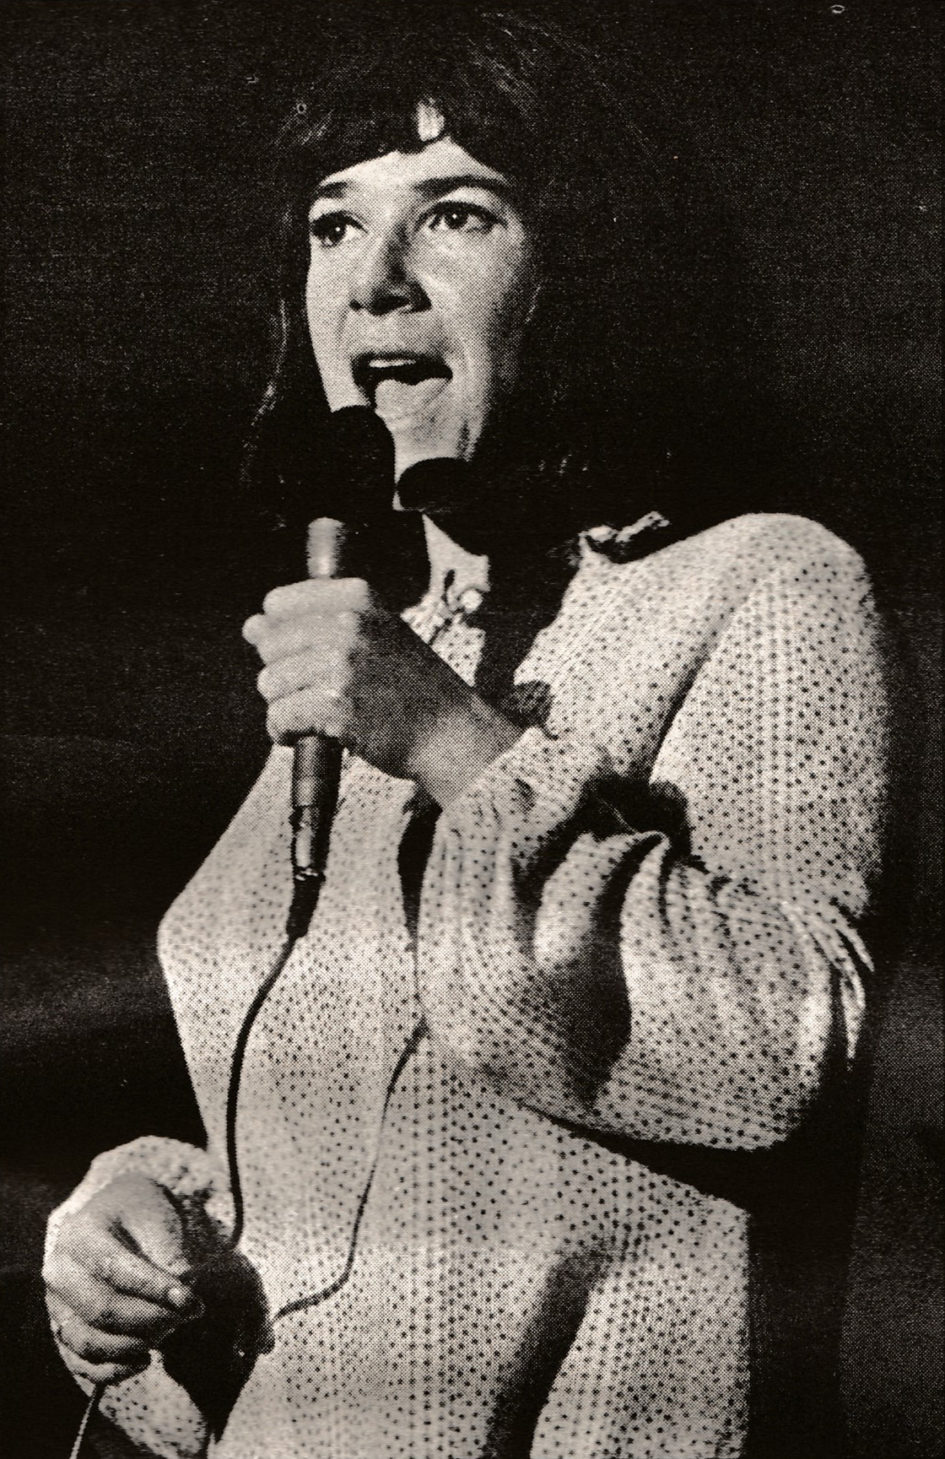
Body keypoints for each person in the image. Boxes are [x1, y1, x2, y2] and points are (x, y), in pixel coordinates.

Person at [42, 11, 888, 1457]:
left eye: (454, 215)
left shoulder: (762, 583)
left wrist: (456, 748)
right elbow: (356, 1193)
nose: (373, 280)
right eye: (332, 227)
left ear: (586, 272)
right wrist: (140, 1239)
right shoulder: (375, 658)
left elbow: (784, 1052)